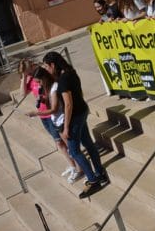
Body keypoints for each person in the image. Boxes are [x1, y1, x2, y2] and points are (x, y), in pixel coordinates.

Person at [42, 51, 108, 198]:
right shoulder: (71, 72)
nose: (46, 69)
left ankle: (93, 180)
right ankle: (99, 173)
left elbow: (68, 104)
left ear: (52, 65)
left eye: (46, 66)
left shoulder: (63, 80)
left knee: (74, 151)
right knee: (88, 144)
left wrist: (66, 127)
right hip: (82, 111)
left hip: (75, 117)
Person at [24, 68, 80, 182]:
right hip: (52, 119)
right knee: (60, 143)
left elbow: (54, 108)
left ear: (44, 78)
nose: (39, 85)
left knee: (69, 146)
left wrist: (36, 113)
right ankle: (73, 166)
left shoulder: (54, 87)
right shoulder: (45, 87)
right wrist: (42, 100)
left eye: (39, 82)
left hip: (57, 118)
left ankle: (79, 168)